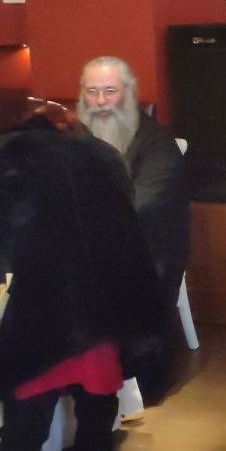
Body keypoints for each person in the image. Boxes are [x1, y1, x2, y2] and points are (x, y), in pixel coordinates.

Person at [0, 105, 163, 451]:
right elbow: (126, 227)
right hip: (95, 301)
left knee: (27, 404)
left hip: (32, 303)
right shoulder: (103, 155)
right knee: (97, 391)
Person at [77, 56, 189, 400]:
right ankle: (67, 381)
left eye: (110, 91)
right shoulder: (72, 137)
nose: (100, 102)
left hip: (147, 248)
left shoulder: (156, 142)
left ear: (129, 92)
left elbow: (143, 206)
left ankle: (119, 384)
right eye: (92, 92)